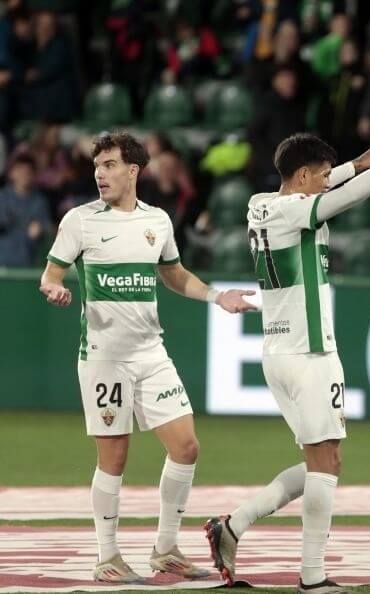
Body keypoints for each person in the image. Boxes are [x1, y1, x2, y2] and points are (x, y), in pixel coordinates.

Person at [204, 130, 370, 593]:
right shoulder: (298, 210)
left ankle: (233, 525)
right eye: (321, 176)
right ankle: (312, 577)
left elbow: (327, 186)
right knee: (326, 462)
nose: (325, 183)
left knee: (325, 462)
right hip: (310, 352)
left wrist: (353, 163)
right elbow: (346, 197)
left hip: (277, 353)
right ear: (301, 175)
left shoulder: (259, 204)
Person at [39, 132, 257, 584]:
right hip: (105, 357)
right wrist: (55, 288)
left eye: (110, 165)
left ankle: (166, 548)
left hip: (150, 351)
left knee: (186, 446)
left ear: (133, 171)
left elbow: (173, 274)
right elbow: (51, 274)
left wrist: (217, 296)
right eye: (97, 165)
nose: (100, 173)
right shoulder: (80, 221)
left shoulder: (157, 220)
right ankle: (107, 557)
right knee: (114, 456)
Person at [0, 153, 51, 267]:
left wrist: (40, 228)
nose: (24, 174)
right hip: (3, 260)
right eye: (20, 170)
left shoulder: (39, 201)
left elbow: (46, 229)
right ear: (12, 173)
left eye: (28, 172)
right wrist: (25, 227)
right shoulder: (2, 198)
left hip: (27, 261)